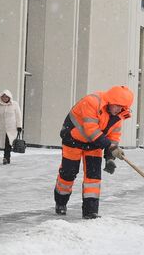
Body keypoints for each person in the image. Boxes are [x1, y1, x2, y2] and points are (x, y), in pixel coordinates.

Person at [54, 86, 133, 219]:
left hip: (94, 145)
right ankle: (61, 202)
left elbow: (113, 138)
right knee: (68, 173)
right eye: (117, 106)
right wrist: (111, 147)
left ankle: (90, 211)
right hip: (73, 138)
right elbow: (91, 130)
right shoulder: (92, 102)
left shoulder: (118, 116)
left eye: (122, 107)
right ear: (109, 101)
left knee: (93, 177)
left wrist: (109, 158)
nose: (119, 110)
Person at [0, 90, 22, 165]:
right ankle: (7, 158)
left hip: (12, 128)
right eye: (3, 97)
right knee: (6, 143)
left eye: (6, 97)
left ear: (9, 97)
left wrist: (19, 126)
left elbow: (18, 116)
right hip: (3, 128)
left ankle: (6, 157)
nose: (5, 98)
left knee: (8, 143)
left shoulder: (15, 104)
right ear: (1, 97)